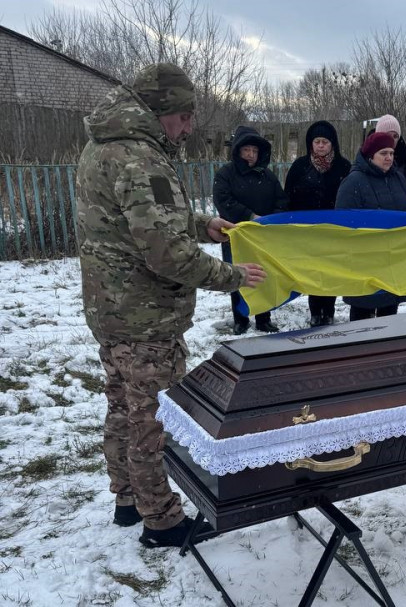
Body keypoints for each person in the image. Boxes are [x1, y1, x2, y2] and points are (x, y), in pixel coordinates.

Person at [76, 63, 266, 548]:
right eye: (183, 117)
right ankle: (161, 520)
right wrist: (233, 277)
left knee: (121, 404)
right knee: (153, 418)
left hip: (111, 310)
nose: (188, 127)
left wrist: (204, 225)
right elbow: (165, 254)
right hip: (146, 318)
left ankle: (127, 499)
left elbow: (146, 219)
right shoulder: (141, 158)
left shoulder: (104, 145)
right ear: (160, 111)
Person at [213, 126, 288, 334]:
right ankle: (241, 319)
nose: (251, 155)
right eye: (247, 150)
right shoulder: (225, 174)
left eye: (254, 151)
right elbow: (223, 200)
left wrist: (271, 219)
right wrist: (250, 217)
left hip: (262, 237)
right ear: (238, 151)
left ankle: (264, 318)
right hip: (235, 235)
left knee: (263, 276)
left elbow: (281, 200)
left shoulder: (268, 176)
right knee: (236, 276)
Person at [335, 131, 406, 319]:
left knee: (389, 310)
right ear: (371, 155)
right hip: (365, 260)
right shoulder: (354, 181)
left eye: (391, 153)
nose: (389, 158)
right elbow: (342, 223)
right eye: (383, 153)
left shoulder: (398, 179)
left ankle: (388, 347)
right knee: (362, 312)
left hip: (393, 258)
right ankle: (360, 348)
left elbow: (404, 213)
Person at [284, 120, 352, 326]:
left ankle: (329, 311)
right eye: (317, 141)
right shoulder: (299, 167)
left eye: (325, 141)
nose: (321, 145)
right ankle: (315, 311)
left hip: (334, 231)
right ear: (310, 144)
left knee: (330, 271)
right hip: (308, 232)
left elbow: (350, 197)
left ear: (333, 144)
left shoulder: (344, 167)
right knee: (314, 271)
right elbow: (288, 197)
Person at [374, 114, 406, 188]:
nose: (392, 140)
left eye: (395, 136)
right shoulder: (367, 154)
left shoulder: (403, 155)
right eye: (388, 135)